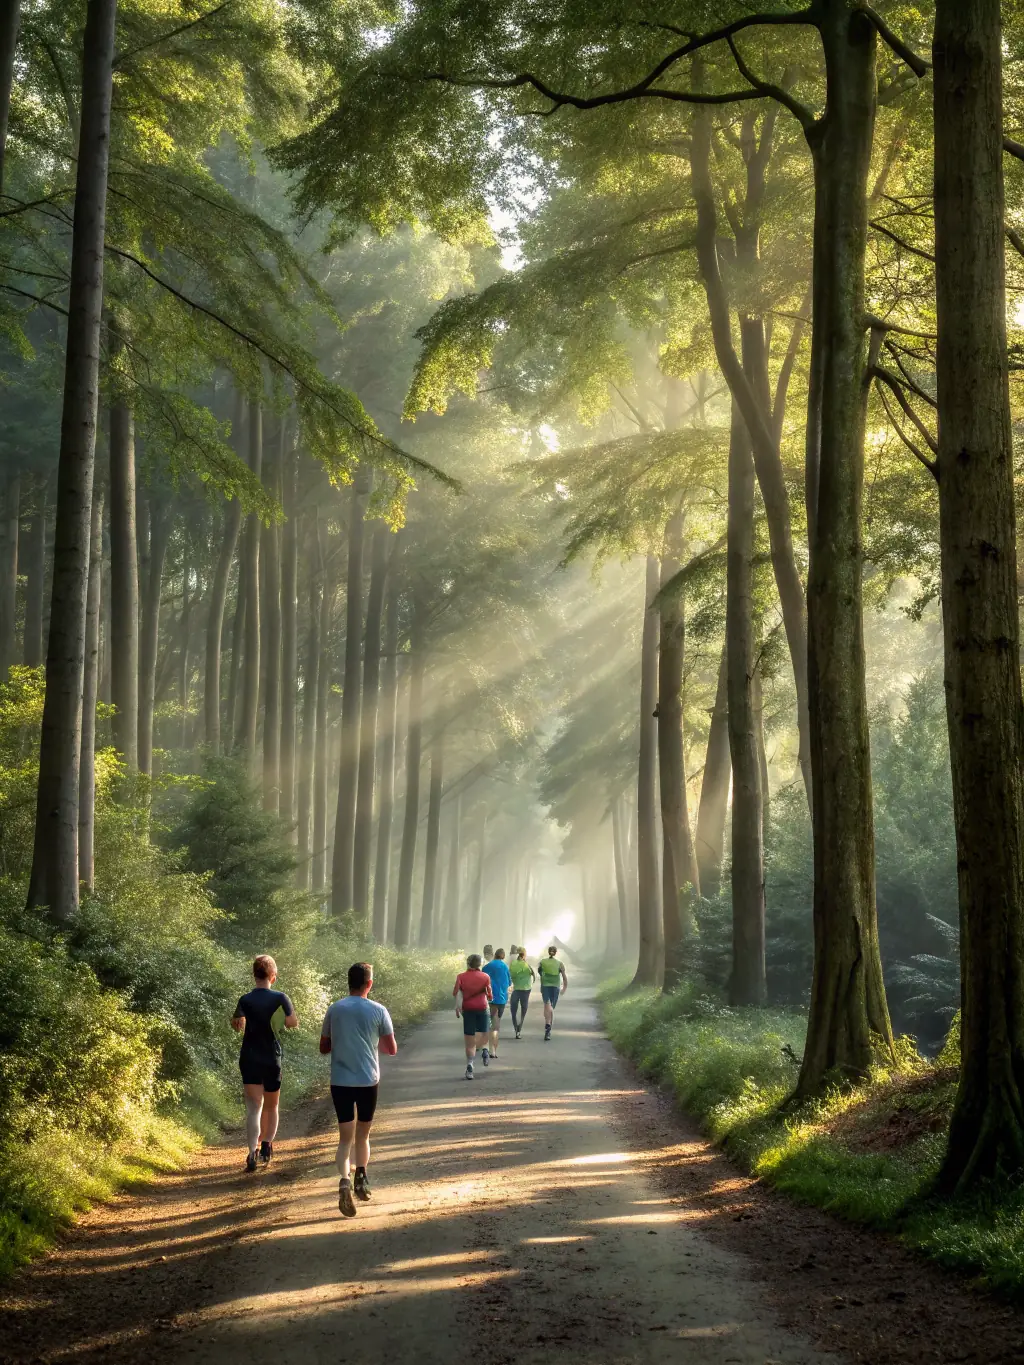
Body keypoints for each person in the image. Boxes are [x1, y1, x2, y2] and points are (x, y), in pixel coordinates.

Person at [320, 962, 397, 1219]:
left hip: (340, 1080)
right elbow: (391, 1048)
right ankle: (361, 1178)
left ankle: (344, 1179)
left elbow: (324, 1046)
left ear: (348, 982)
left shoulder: (335, 1008)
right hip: (367, 1080)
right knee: (362, 1135)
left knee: (345, 1138)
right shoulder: (379, 1010)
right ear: (369, 983)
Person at [231, 955, 299, 1172]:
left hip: (249, 1056)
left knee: (254, 1108)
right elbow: (291, 1023)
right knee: (272, 1105)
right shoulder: (280, 998)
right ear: (273, 976)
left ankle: (252, 1151)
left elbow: (236, 1025)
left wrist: (244, 1021)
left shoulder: (245, 999)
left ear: (254, 975)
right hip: (271, 1056)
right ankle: (268, 1144)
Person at [454, 953, 492, 1080]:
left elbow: (456, 993)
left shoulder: (461, 977)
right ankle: (485, 1051)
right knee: (483, 1033)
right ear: (480, 964)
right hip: (482, 1008)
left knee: (470, 1041)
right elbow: (490, 995)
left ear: (468, 963)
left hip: (468, 1010)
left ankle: (470, 1065)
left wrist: (458, 1007)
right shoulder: (485, 976)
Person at [482, 947, 512, 1058]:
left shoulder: (488, 966)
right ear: (503, 956)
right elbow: (509, 982)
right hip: (502, 998)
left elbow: (481, 978)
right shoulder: (505, 967)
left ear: (495, 954)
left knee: (491, 1023)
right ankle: (493, 1050)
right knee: (496, 1024)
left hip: (491, 997)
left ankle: (489, 1048)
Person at [537, 946, 568, 1041]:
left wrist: (542, 986)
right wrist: (564, 988)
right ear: (555, 952)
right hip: (555, 987)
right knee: (550, 1007)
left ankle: (548, 1025)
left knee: (547, 1006)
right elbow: (564, 977)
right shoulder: (560, 964)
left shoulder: (542, 962)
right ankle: (548, 1027)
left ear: (548, 952)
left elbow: (541, 975)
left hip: (545, 986)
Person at [509, 948, 536, 1039]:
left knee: (513, 1010)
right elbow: (533, 975)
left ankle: (516, 1028)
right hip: (526, 989)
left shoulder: (513, 964)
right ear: (524, 955)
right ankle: (519, 1027)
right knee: (524, 1008)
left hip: (516, 989)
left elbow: (510, 975)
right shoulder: (526, 965)